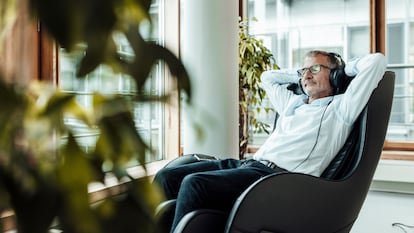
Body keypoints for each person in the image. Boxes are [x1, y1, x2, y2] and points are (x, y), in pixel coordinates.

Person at [153, 50, 386, 233]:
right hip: (247, 165)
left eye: (315, 68)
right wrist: (302, 71)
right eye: (303, 71)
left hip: (274, 179)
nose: (306, 75)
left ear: (334, 75)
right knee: (168, 176)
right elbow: (268, 77)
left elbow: (376, 62)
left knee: (194, 184)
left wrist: (343, 70)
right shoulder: (292, 103)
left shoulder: (341, 109)